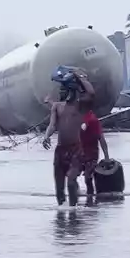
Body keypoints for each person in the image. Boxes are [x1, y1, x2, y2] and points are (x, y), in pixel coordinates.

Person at [42, 73, 92, 206]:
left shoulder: (79, 106)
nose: (62, 93)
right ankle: (62, 217)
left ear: (72, 91)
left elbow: (91, 93)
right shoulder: (57, 106)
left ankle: (73, 211)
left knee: (71, 180)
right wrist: (46, 136)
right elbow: (52, 125)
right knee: (59, 189)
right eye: (61, 90)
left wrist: (80, 77)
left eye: (65, 90)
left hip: (75, 149)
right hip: (60, 151)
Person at [79, 85, 111, 196]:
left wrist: (106, 157)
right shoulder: (76, 118)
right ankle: (76, 198)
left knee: (88, 178)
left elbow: (101, 138)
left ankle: (91, 199)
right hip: (78, 154)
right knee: (71, 175)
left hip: (91, 155)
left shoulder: (93, 120)